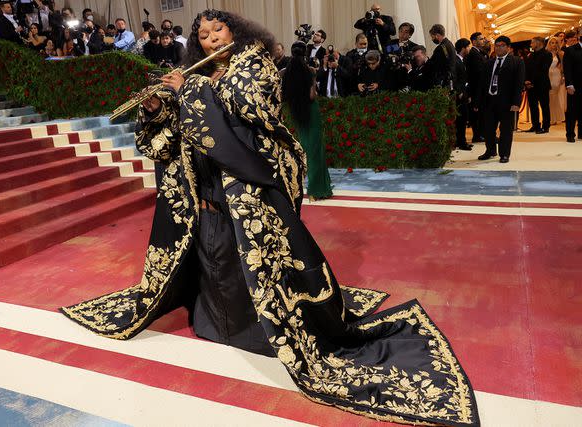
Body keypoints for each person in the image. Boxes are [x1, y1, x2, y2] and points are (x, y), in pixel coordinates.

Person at [60, 9, 479, 427]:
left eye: (217, 30)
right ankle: (217, 323)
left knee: (255, 265)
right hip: (204, 196)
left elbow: (244, 113)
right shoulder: (200, 77)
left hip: (248, 191)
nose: (211, 40)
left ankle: (257, 332)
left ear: (234, 31)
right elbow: (167, 145)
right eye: (203, 36)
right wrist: (157, 109)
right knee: (213, 262)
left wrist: (190, 90)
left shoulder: (254, 64)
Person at [282, 41, 332, 201]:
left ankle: (308, 188)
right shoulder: (309, 70)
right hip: (310, 111)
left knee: (303, 148)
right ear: (305, 53)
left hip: (296, 112)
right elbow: (312, 96)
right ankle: (316, 190)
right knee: (315, 150)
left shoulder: (284, 72)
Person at [476, 35, 525, 163]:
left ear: (508, 48)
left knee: (506, 130)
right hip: (489, 100)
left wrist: (516, 102)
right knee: (488, 128)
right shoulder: (489, 62)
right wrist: (479, 101)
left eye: (502, 45)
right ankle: (490, 150)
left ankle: (504, 154)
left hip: (506, 102)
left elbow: (518, 84)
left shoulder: (517, 62)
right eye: (497, 45)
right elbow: (482, 84)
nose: (499, 48)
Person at [524, 37, 552, 133]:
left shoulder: (547, 54)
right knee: (533, 106)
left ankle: (546, 126)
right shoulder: (531, 55)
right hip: (530, 85)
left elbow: (543, 70)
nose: (531, 45)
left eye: (532, 42)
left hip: (542, 84)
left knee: (544, 106)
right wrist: (526, 81)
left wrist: (531, 81)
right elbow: (527, 69)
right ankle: (535, 125)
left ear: (539, 43)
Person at [466, 32, 487, 143]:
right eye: (481, 39)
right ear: (474, 41)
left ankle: (481, 134)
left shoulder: (479, 52)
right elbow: (477, 73)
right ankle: (478, 135)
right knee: (477, 113)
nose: (483, 40)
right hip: (477, 88)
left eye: (483, 38)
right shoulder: (474, 54)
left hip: (479, 88)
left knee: (480, 113)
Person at [564, 27, 582, 143]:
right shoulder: (571, 50)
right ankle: (570, 134)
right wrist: (569, 84)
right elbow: (567, 69)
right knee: (572, 110)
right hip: (575, 85)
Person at [427, 24, 457, 89]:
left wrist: (426, 60)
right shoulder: (449, 44)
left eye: (432, 37)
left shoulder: (441, 48)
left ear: (437, 35)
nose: (432, 39)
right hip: (451, 79)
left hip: (444, 81)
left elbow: (435, 64)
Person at [455, 38, 472, 151]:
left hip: (464, 94)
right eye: (468, 47)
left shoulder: (461, 60)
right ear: (463, 48)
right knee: (461, 120)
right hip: (460, 95)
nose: (469, 49)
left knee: (463, 118)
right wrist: (459, 92)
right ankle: (461, 142)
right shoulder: (456, 61)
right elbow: (455, 78)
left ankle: (461, 141)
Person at [546, 37, 566, 125]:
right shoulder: (546, 53)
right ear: (549, 44)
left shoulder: (561, 53)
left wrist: (562, 77)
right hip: (547, 76)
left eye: (555, 43)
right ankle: (552, 117)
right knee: (549, 98)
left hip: (556, 76)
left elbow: (563, 66)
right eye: (552, 43)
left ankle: (555, 118)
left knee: (555, 97)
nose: (553, 44)